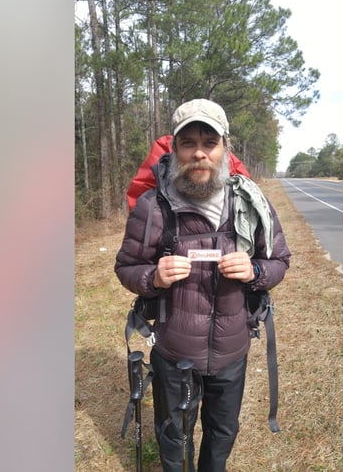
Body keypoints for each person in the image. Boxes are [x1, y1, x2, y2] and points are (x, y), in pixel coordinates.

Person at [115, 98, 291, 471]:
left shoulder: (249, 202)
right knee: (173, 433)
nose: (199, 154)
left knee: (223, 432)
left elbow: (279, 261)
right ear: (174, 149)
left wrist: (255, 272)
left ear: (225, 147)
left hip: (232, 350)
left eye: (209, 143)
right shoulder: (153, 207)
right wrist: (153, 277)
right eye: (188, 143)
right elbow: (127, 267)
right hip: (174, 350)